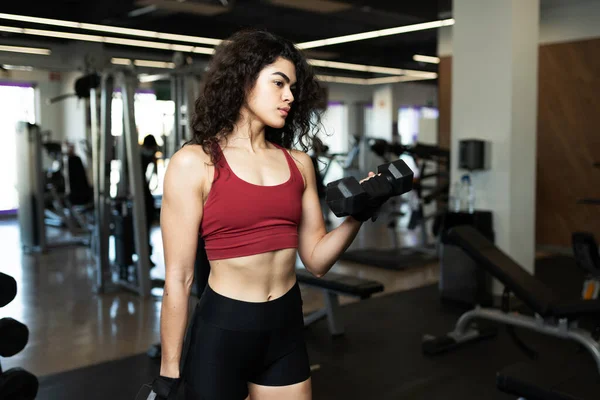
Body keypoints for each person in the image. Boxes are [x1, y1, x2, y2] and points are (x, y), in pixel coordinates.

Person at [153, 29, 387, 400]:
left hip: (285, 327)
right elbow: (178, 278)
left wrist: (358, 216)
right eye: (278, 83)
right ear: (244, 80)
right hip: (223, 330)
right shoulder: (195, 163)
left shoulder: (299, 164)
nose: (290, 96)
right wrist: (169, 370)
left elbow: (317, 261)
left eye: (293, 87)